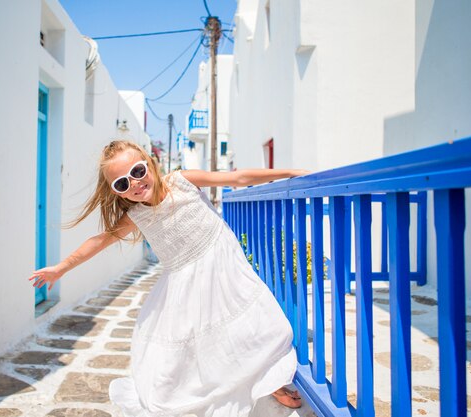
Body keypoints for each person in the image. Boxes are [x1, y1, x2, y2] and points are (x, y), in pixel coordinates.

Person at [28, 140, 311, 417]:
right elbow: (100, 241)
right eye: (123, 184)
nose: (135, 183)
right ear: (119, 193)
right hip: (185, 285)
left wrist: (288, 173)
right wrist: (62, 267)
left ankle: (270, 380)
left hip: (223, 267)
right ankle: (262, 385)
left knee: (262, 328)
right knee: (206, 348)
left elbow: (236, 177)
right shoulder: (136, 215)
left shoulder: (182, 181)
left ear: (149, 163)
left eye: (137, 172)